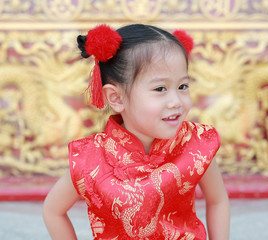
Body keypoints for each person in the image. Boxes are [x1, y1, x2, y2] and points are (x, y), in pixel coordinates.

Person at [43, 23, 230, 240]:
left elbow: (217, 200)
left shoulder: (194, 144)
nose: (176, 101)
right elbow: (53, 210)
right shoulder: (93, 158)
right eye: (160, 89)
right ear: (116, 98)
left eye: (182, 86)